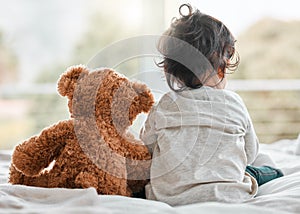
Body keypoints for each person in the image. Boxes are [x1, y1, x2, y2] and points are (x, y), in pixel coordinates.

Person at [140, 4, 283, 206]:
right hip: (230, 193)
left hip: (169, 196)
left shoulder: (165, 105)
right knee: (266, 171)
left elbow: (147, 147)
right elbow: (250, 152)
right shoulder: (234, 103)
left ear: (170, 71)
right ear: (221, 69)